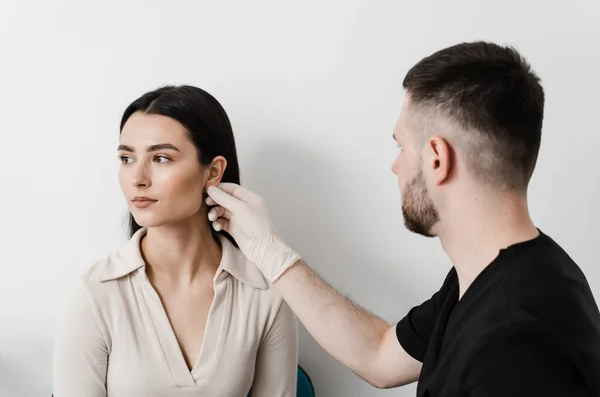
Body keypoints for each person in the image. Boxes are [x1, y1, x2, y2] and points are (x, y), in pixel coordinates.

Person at [205, 42, 600, 396]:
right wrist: (270, 252)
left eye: (401, 146)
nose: (396, 166)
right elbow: (379, 354)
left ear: (436, 159)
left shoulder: (517, 344)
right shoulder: (497, 277)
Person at [53, 85, 298, 397]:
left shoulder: (265, 292)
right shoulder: (97, 292)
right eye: (127, 158)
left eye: (161, 158)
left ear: (213, 172)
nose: (138, 177)